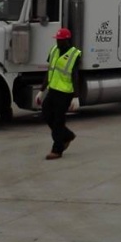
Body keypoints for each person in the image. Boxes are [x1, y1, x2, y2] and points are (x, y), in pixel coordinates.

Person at [37, 27, 82, 160]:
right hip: (53, 89)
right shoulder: (54, 51)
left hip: (65, 92)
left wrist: (76, 96)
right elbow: (49, 71)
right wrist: (41, 90)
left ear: (67, 40)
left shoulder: (74, 54)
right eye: (57, 39)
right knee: (46, 113)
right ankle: (67, 135)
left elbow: (75, 76)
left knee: (58, 120)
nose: (58, 42)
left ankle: (57, 149)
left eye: (60, 40)